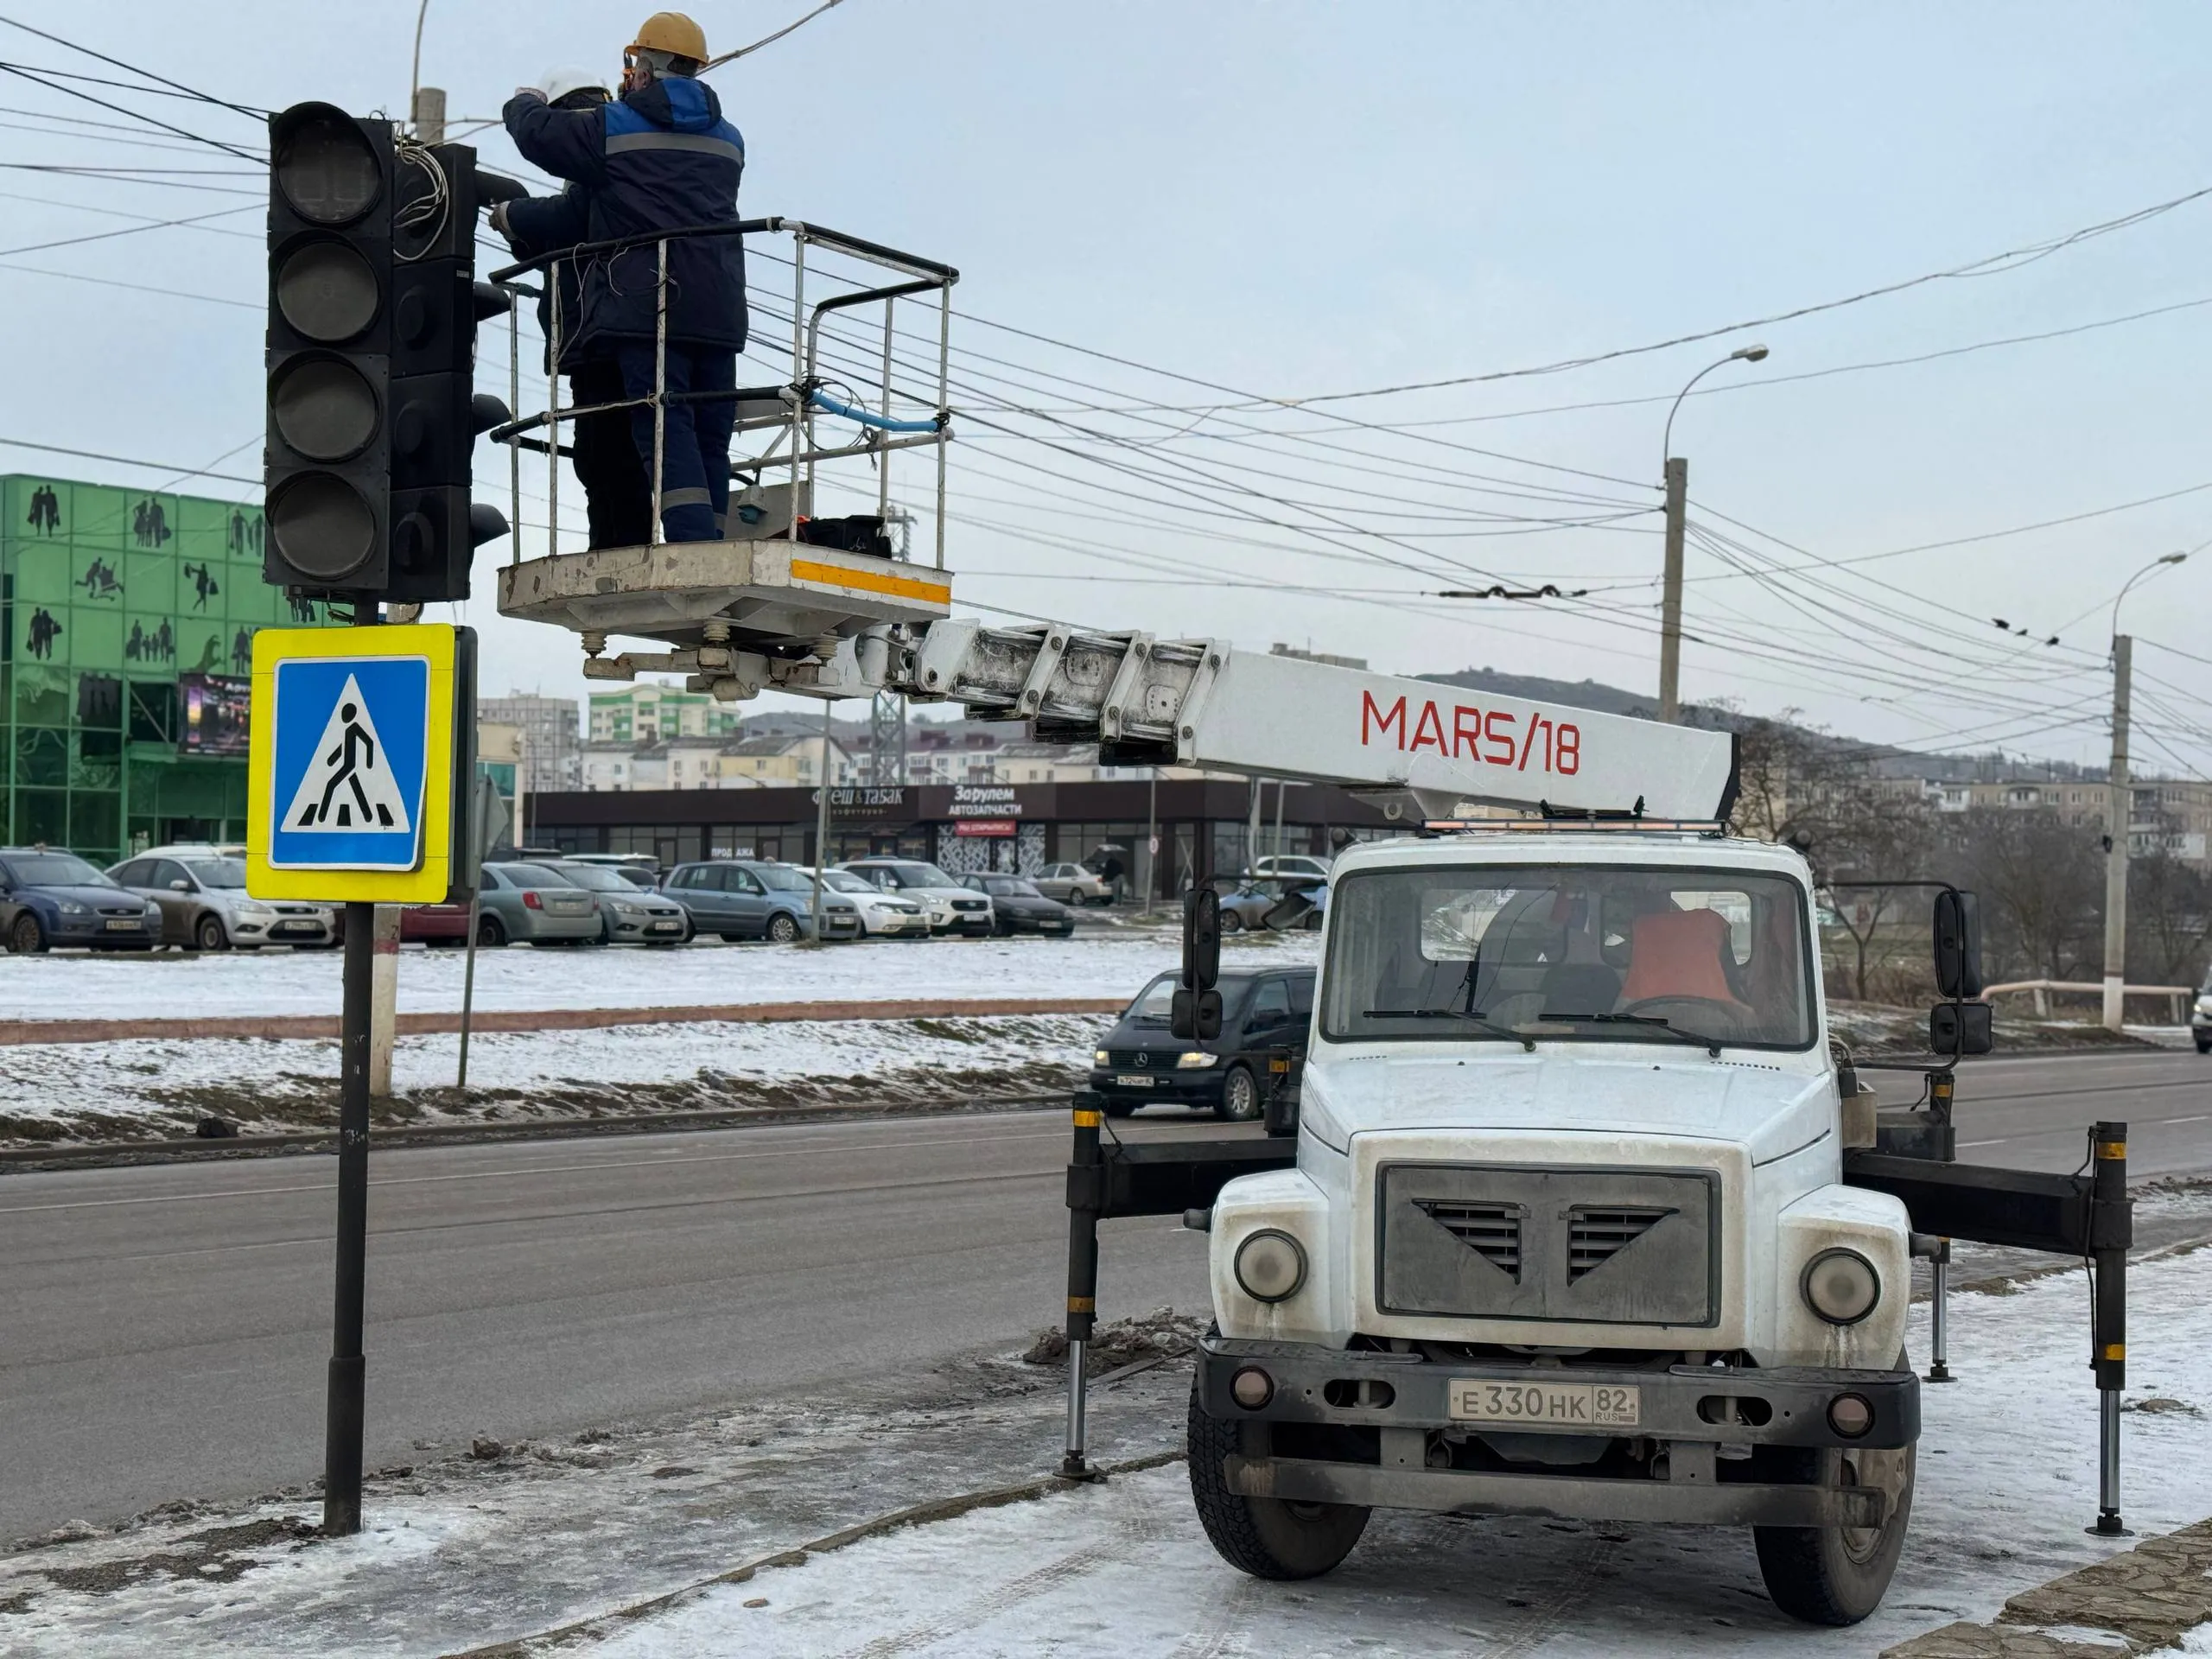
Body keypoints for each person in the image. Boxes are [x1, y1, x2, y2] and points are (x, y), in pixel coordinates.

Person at [502, 13, 746, 544]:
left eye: (634, 65)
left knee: (664, 428)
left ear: (646, 67)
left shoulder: (614, 127)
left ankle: (693, 547)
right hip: (719, 307)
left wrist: (524, 102)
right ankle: (713, 542)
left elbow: (540, 136)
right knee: (710, 434)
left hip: (647, 306)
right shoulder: (730, 139)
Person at [490, 69, 655, 550]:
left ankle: (619, 549)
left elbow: (570, 218)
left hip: (603, 335)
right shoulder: (607, 162)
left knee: (609, 453)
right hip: (597, 335)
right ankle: (612, 545)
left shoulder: (598, 169)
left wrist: (513, 215)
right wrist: (524, 235)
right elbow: (565, 237)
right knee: (603, 453)